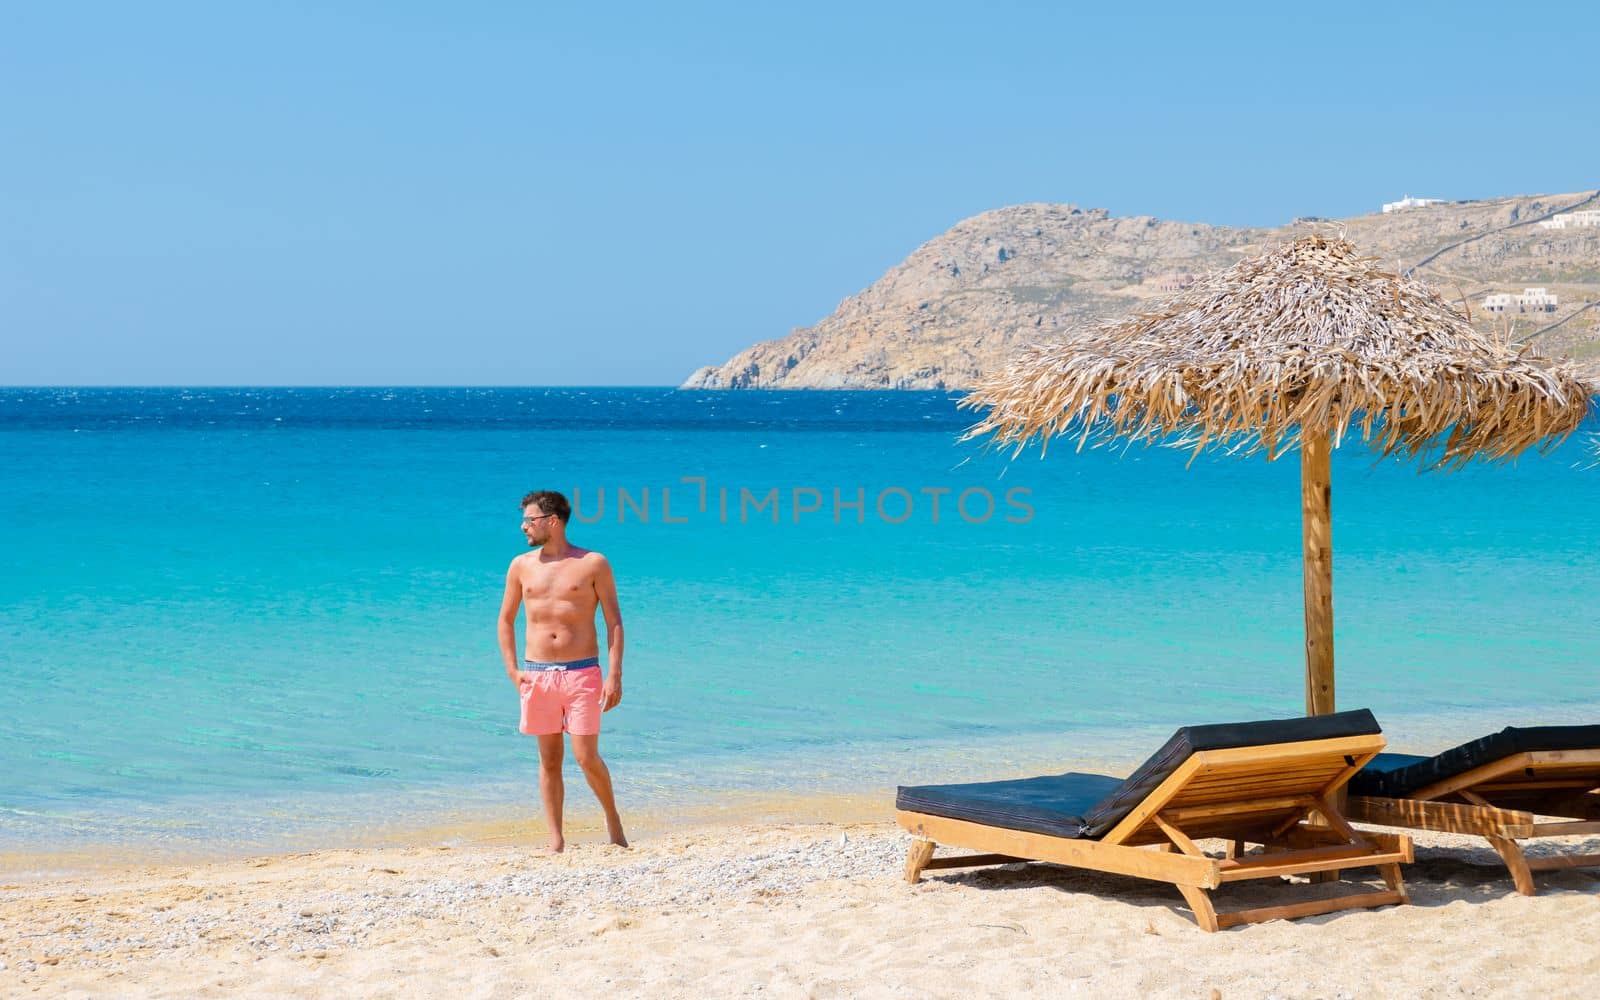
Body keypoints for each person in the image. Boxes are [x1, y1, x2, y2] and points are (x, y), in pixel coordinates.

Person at [497, 489, 627, 851]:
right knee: (549, 759)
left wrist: (614, 674)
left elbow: (613, 621)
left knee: (586, 757)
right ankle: (556, 839)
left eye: (530, 520)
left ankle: (613, 821)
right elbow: (505, 621)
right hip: (537, 674)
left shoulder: (592, 563)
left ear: (551, 521)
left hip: (583, 672)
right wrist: (512, 671)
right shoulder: (521, 565)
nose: (524, 526)